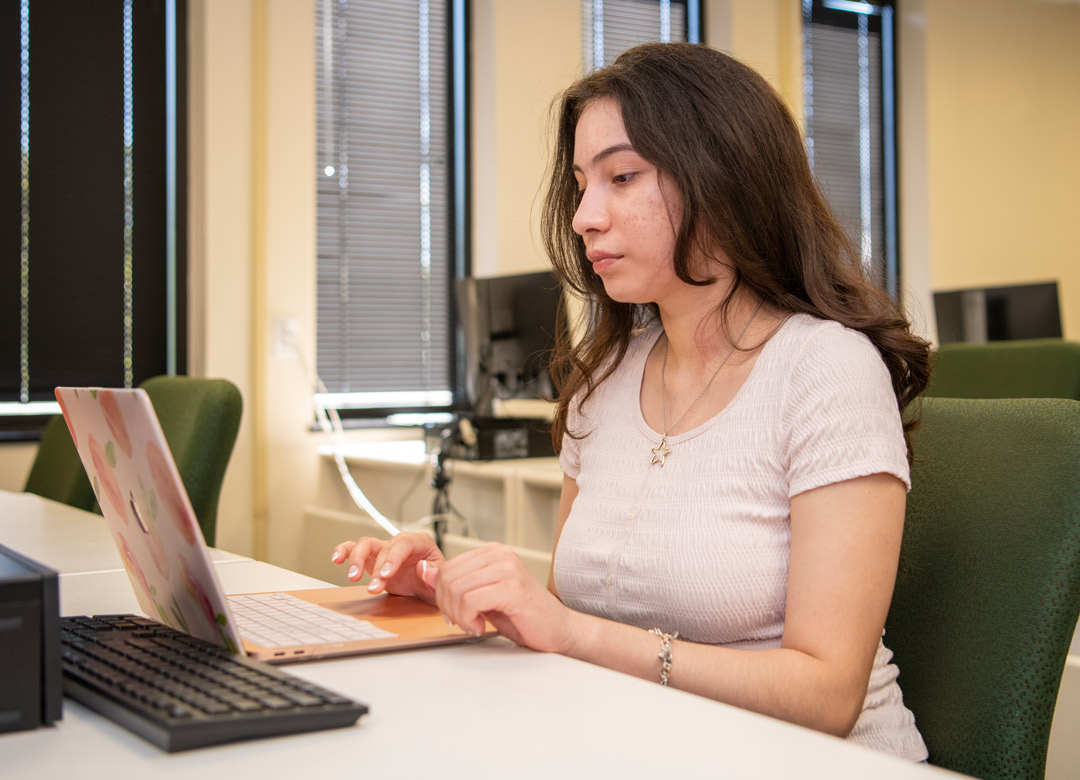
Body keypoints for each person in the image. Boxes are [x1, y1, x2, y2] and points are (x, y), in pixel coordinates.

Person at [332, 42, 931, 761]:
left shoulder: (826, 370)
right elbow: (568, 619)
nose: (585, 215)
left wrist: (573, 633)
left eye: (622, 177)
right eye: (583, 184)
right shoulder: (606, 378)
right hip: (639, 748)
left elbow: (827, 695)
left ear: (724, 179)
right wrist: (450, 589)